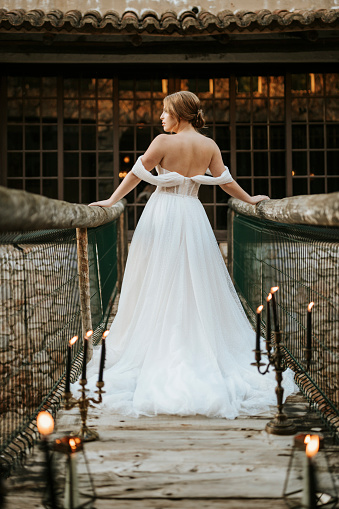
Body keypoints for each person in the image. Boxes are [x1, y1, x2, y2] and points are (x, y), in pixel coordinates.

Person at [85, 91, 295, 418]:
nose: (161, 117)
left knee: (157, 276)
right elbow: (225, 182)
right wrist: (252, 199)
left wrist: (110, 201)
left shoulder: (162, 142)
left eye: (165, 112)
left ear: (179, 114)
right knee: (193, 276)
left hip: (163, 213)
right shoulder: (209, 145)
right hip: (193, 215)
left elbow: (136, 175)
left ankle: (158, 343)